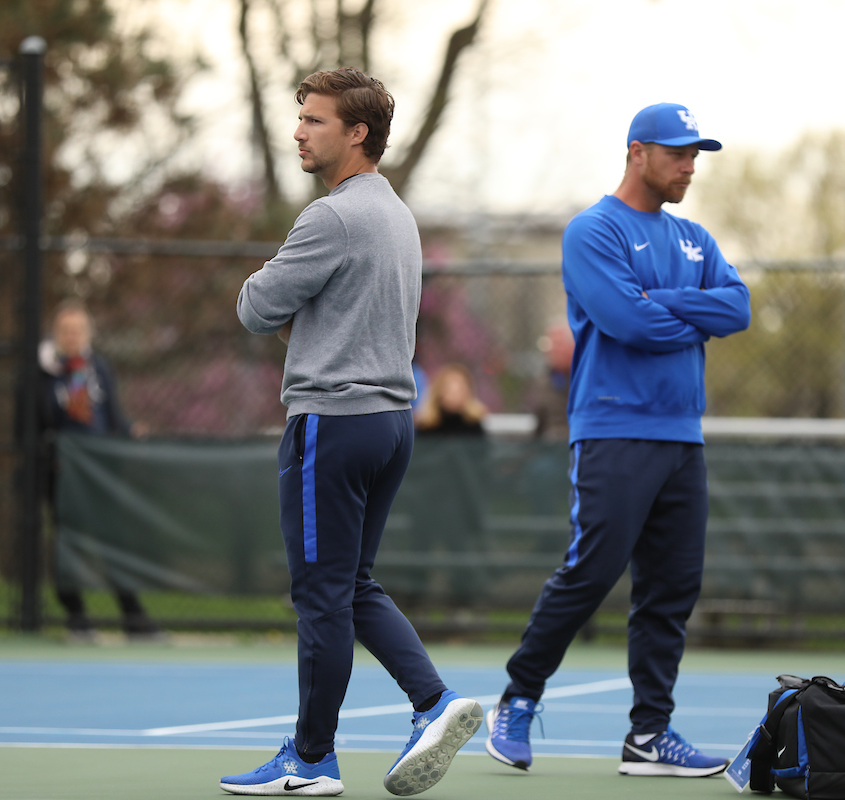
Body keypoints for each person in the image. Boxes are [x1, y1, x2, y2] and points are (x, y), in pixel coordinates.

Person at [226, 67, 481, 798]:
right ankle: (431, 700)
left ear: (356, 132)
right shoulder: (396, 214)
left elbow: (253, 306)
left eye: (314, 119)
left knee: (321, 596)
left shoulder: (330, 217)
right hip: (390, 426)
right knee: (350, 584)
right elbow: (347, 319)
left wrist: (286, 310)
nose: (299, 131)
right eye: (300, 117)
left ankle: (312, 759)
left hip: (332, 427)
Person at [484, 103, 750, 778]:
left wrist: (661, 300)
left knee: (672, 588)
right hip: (613, 429)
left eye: (696, 154)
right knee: (591, 572)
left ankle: (648, 736)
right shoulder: (592, 231)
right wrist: (687, 311)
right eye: (678, 153)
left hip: (681, 436)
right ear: (638, 152)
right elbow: (631, 325)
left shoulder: (694, 238)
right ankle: (517, 699)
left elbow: (739, 307)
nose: (691, 165)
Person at [38, 299, 159, 640]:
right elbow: (36, 422)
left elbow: (112, 416)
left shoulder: (98, 368)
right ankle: (77, 620)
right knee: (66, 546)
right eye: (65, 330)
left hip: (100, 475)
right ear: (56, 334)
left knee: (113, 543)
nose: (72, 335)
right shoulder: (43, 373)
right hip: (61, 479)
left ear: (86, 333)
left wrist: (129, 429)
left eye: (77, 330)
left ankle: (134, 620)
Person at [414, 363, 487, 436]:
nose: (454, 396)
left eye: (459, 390)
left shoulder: (473, 425)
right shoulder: (427, 427)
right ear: (439, 392)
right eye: (450, 390)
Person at [531, 320, 574, 443]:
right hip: (550, 449)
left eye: (559, 344)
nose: (553, 350)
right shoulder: (541, 382)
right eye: (550, 344)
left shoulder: (584, 380)